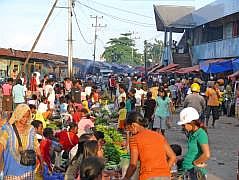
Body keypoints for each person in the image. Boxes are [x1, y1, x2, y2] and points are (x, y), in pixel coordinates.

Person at [122, 111, 176, 180]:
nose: (130, 132)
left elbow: (133, 165)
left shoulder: (134, 139)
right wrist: (164, 171)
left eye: (129, 129)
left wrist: (126, 178)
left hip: (148, 176)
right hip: (165, 176)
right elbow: (173, 157)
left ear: (133, 125)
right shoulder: (159, 136)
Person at [0, 104, 42, 179]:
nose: (25, 119)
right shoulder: (7, 129)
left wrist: (42, 163)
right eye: (23, 116)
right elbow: (1, 146)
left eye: (27, 117)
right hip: (11, 173)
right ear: (17, 115)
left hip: (28, 172)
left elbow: (37, 147)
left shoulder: (31, 129)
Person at [177, 107, 210, 179]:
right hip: (187, 169)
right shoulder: (192, 133)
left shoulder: (201, 134)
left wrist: (195, 163)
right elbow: (193, 152)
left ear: (191, 123)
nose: (183, 127)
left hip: (194, 172)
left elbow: (206, 154)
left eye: (184, 125)